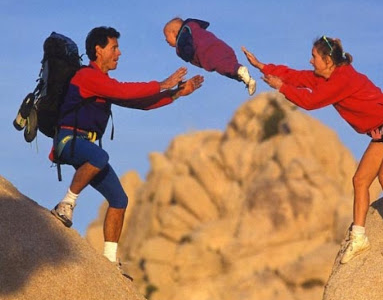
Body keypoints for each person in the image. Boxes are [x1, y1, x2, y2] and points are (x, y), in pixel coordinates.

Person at [242, 36, 383, 263]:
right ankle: (358, 237)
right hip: (381, 131)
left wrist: (281, 87)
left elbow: (311, 102)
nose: (310, 61)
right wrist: (263, 66)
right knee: (360, 180)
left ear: (327, 60)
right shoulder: (326, 76)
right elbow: (298, 77)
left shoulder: (343, 79)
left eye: (314, 57)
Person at [51, 26, 203, 273]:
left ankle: (109, 260)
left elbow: (138, 103)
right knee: (100, 156)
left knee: (119, 199)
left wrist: (175, 94)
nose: (119, 53)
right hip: (69, 141)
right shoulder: (87, 77)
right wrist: (162, 84)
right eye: (114, 47)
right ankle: (66, 204)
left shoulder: (104, 83)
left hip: (87, 148)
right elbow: (123, 91)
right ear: (98, 50)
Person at [163, 17, 256, 95]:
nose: (166, 40)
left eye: (166, 36)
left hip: (208, 51)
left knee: (223, 66)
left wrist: (183, 53)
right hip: (220, 46)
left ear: (174, 33)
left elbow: (188, 49)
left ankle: (241, 72)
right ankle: (247, 80)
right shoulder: (195, 29)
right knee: (227, 68)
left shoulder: (183, 36)